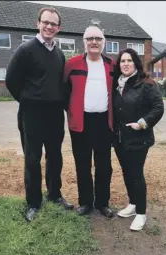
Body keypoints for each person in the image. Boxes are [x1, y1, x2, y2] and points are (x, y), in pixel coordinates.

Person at [5, 6, 74, 222]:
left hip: (54, 114)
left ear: (58, 28)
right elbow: (11, 80)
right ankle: (33, 203)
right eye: (46, 22)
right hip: (31, 113)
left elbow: (62, 85)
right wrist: (27, 99)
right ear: (38, 23)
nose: (49, 26)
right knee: (32, 159)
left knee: (55, 157)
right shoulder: (25, 50)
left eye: (53, 24)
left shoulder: (60, 54)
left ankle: (54, 195)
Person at [63, 26, 115, 218]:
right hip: (80, 123)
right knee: (82, 165)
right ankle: (85, 202)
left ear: (104, 42)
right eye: (90, 38)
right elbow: (63, 91)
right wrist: (72, 111)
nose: (94, 42)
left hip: (104, 121)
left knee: (104, 166)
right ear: (84, 42)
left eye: (98, 39)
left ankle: (102, 203)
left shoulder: (111, 65)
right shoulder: (72, 64)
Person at [112, 48, 164, 231]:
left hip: (138, 138)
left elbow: (158, 108)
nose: (125, 64)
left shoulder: (146, 83)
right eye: (122, 61)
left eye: (129, 60)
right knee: (126, 172)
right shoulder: (116, 83)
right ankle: (133, 204)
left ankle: (141, 214)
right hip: (119, 139)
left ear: (136, 63)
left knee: (136, 174)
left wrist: (142, 123)